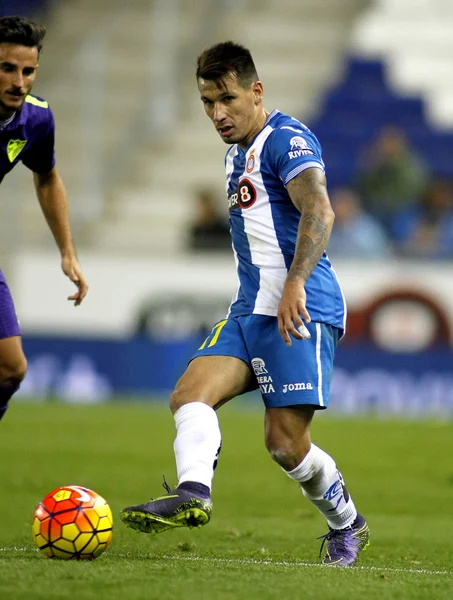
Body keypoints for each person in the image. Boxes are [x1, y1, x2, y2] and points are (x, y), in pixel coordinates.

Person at [121, 41, 370, 566]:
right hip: (248, 311)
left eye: (227, 99)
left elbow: (320, 210)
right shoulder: (236, 154)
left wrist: (296, 282)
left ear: (256, 91)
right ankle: (193, 493)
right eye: (208, 102)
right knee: (188, 395)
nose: (218, 113)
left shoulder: (287, 139)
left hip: (301, 310)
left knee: (283, 443)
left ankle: (348, 524)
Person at [0, 16, 88, 422]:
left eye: (28, 71)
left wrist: (67, 251)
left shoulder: (35, 120)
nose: (20, 81)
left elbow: (47, 177)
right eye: (7, 69)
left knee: (11, 367)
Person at [356, 126, 429, 231]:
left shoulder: (411, 164)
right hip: (376, 208)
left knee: (403, 221)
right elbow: (364, 187)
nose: (387, 148)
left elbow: (414, 189)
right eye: (384, 144)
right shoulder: (374, 163)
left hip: (404, 208)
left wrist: (394, 164)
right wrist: (373, 167)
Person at [327, 187, 390, 258]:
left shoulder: (368, 230)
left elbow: (379, 255)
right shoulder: (331, 228)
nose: (336, 208)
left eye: (340, 204)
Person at [188, 186, 231, 251]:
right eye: (202, 206)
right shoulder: (196, 230)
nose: (205, 209)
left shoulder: (224, 228)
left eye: (207, 205)